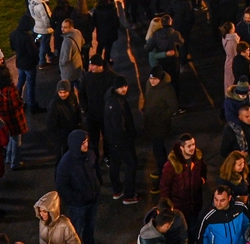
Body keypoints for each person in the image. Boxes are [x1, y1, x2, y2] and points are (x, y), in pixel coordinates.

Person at [56, 130, 101, 244]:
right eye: (83, 142)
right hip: (78, 205)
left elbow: (95, 169)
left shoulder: (90, 154)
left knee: (90, 227)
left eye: (86, 141)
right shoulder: (66, 163)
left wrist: (97, 184)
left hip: (92, 199)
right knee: (75, 230)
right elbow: (62, 186)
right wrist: (78, 197)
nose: (86, 144)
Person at [104, 75, 140, 204]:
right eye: (121, 87)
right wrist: (127, 139)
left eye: (125, 86)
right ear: (116, 88)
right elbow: (120, 127)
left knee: (115, 164)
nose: (124, 89)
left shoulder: (110, 99)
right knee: (131, 164)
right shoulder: (117, 104)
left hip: (112, 141)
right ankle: (129, 195)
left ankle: (117, 190)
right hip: (121, 141)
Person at [160, 134, 208, 223]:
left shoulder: (198, 158)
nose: (192, 148)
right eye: (189, 146)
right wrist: (167, 207)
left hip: (196, 204)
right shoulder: (171, 165)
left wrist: (202, 180)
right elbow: (165, 186)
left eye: (193, 144)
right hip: (180, 208)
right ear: (182, 148)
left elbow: (203, 169)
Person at [0, 63, 28, 169]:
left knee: (11, 137)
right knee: (16, 141)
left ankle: (9, 158)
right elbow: (16, 104)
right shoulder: (11, 88)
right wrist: (22, 104)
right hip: (14, 118)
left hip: (3, 117)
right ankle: (15, 163)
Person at [144, 66, 179, 175]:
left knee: (158, 148)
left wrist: (162, 117)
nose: (152, 81)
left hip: (160, 125)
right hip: (151, 122)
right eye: (151, 78)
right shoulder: (149, 84)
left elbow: (173, 106)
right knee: (158, 148)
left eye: (155, 79)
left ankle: (163, 171)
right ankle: (163, 168)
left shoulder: (167, 89)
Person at [47, 80, 83, 162]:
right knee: (61, 158)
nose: (63, 95)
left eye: (65, 92)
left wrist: (79, 122)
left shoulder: (72, 97)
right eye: (60, 92)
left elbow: (77, 110)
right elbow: (51, 125)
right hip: (62, 137)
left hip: (72, 131)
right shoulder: (54, 105)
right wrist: (60, 136)